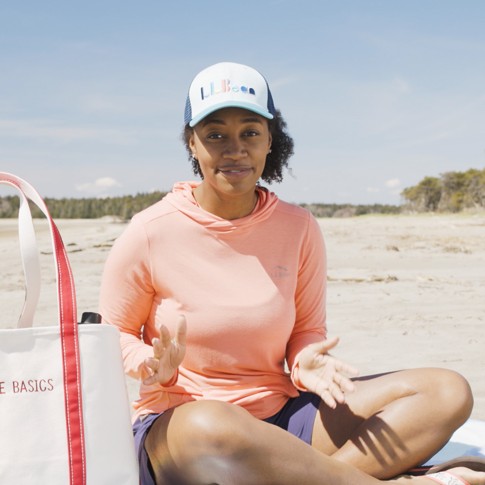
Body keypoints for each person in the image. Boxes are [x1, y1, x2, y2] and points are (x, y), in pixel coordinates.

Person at [99, 62, 485, 485]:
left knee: (446, 392)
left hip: (281, 419)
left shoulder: (298, 227)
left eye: (250, 132)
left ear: (269, 142)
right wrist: (150, 365)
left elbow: (306, 331)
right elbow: (110, 334)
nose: (235, 148)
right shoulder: (150, 231)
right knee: (209, 426)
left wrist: (304, 361)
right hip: (185, 428)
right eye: (215, 135)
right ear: (192, 143)